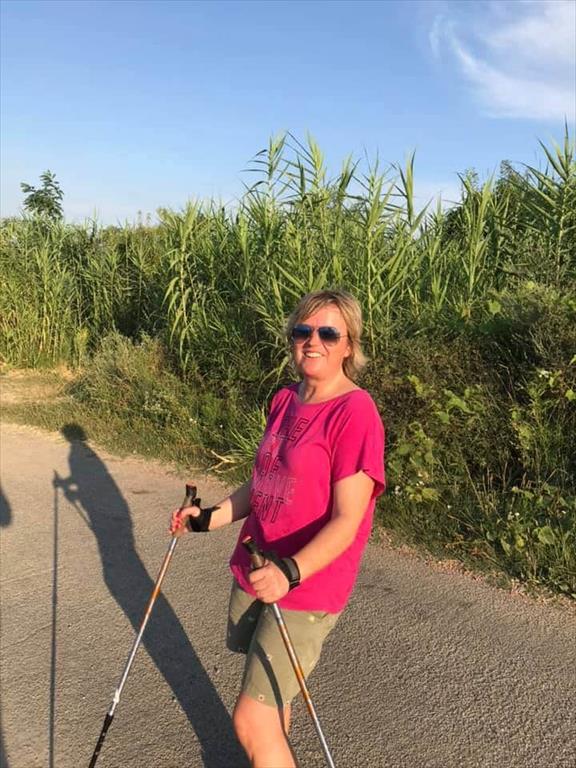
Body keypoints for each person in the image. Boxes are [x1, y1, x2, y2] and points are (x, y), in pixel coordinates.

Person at [171, 289, 385, 768]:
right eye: (302, 331)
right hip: (258, 564)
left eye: (328, 333)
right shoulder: (286, 399)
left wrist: (291, 570)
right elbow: (265, 480)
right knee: (273, 700)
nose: (313, 341)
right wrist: (209, 518)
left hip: (305, 583)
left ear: (349, 345)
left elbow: (348, 520)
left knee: (251, 721)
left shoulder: (355, 413)